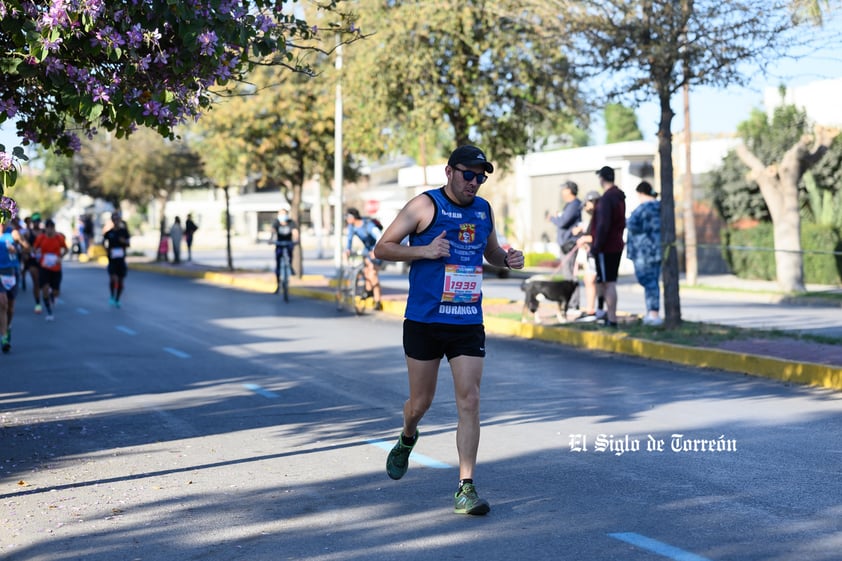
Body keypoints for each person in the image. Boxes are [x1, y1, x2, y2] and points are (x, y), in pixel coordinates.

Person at [373, 145, 525, 516]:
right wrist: (424, 251)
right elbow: (383, 248)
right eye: (468, 174)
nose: (474, 182)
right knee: (419, 404)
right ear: (449, 172)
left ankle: (466, 487)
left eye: (481, 176)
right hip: (425, 320)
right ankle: (408, 435)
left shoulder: (484, 209)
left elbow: (489, 251)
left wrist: (506, 258)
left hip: (467, 319)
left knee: (469, 399)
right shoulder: (424, 206)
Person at [590, 166, 626, 328]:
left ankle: (611, 319)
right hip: (616, 243)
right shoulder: (619, 197)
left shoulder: (607, 198)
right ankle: (609, 316)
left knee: (608, 282)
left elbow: (603, 225)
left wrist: (596, 246)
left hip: (607, 247)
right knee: (608, 281)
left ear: (602, 179)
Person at [627, 181, 663, 326]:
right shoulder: (661, 207)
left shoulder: (642, 209)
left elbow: (631, 225)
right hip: (658, 250)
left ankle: (653, 314)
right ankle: (652, 313)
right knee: (653, 281)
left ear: (641, 193)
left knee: (648, 282)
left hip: (643, 251)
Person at [573, 190, 605, 322]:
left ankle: (598, 310)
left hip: (599, 253)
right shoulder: (594, 217)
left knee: (598, 282)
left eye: (587, 205)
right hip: (592, 253)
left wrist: (586, 239)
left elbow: (600, 235)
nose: (585, 209)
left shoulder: (601, 216)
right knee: (589, 280)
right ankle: (591, 309)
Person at [345, 207, 384, 311]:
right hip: (367, 250)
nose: (347, 219)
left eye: (348, 217)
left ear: (353, 217)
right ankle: (368, 290)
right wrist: (347, 249)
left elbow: (379, 236)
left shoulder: (368, 225)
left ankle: (377, 300)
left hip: (377, 250)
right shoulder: (351, 227)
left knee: (372, 273)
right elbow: (349, 239)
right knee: (367, 272)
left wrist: (375, 250)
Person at [33, 219, 67, 321]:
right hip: (44, 267)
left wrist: (61, 257)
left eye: (52, 228)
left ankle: (53, 294)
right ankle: (49, 311)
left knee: (56, 291)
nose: (50, 230)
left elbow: (66, 249)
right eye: (48, 228)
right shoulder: (41, 238)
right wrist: (38, 255)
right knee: (45, 289)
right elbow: (34, 249)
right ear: (46, 228)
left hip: (56, 267)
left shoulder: (59, 238)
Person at [547, 180, 582, 280]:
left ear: (569, 190)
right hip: (565, 243)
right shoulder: (570, 205)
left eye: (564, 189)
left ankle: (572, 296)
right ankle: (570, 296)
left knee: (569, 274)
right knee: (567, 273)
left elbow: (563, 222)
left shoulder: (574, 204)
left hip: (569, 244)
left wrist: (552, 218)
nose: (562, 191)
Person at [0, 221, 23, 353]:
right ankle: (3, 338)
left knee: (10, 307)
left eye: (4, 223)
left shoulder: (13, 234)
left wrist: (18, 246)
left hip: (12, 272)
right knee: (2, 303)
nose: (2, 225)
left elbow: (27, 248)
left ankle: (7, 328)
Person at [103, 212, 131, 308]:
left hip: (121, 260)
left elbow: (128, 243)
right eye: (114, 219)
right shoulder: (109, 233)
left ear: (119, 220)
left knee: (121, 281)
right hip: (112, 260)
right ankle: (112, 295)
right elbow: (104, 243)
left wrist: (124, 242)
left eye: (117, 219)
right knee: (113, 279)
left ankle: (117, 299)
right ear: (112, 220)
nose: (116, 221)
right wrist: (107, 250)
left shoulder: (124, 231)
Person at [271, 206, 299, 291]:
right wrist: (271, 239)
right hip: (279, 244)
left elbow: (295, 232)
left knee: (289, 255)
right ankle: (278, 283)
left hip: (288, 243)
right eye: (281, 214)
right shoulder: (276, 222)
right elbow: (273, 232)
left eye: (284, 214)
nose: (282, 215)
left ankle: (290, 266)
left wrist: (296, 240)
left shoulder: (291, 223)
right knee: (278, 264)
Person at [23, 213, 43, 313]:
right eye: (34, 221)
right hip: (32, 260)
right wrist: (27, 252)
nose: (36, 223)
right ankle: (38, 303)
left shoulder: (44, 232)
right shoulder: (27, 233)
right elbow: (23, 245)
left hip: (43, 261)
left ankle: (48, 295)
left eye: (38, 221)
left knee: (43, 282)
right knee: (36, 282)